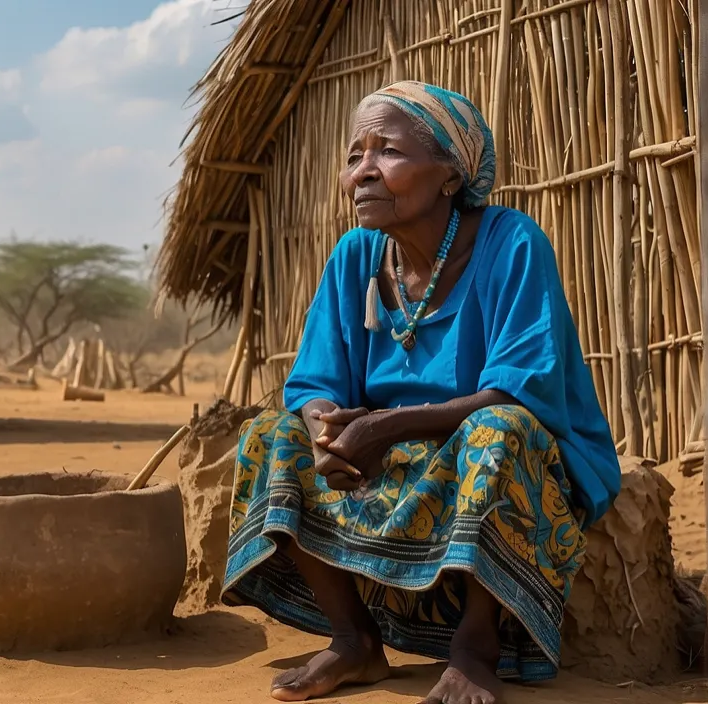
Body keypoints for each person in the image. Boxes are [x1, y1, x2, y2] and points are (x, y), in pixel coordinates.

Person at [222, 81, 621, 704]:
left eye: (389, 152)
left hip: (494, 462)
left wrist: (385, 427)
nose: (363, 173)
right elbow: (315, 380)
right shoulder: (356, 257)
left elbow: (519, 391)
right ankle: (353, 640)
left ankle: (475, 648)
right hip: (391, 461)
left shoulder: (511, 244)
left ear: (451, 176)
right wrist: (328, 429)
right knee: (270, 434)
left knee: (499, 433)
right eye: (356, 155)